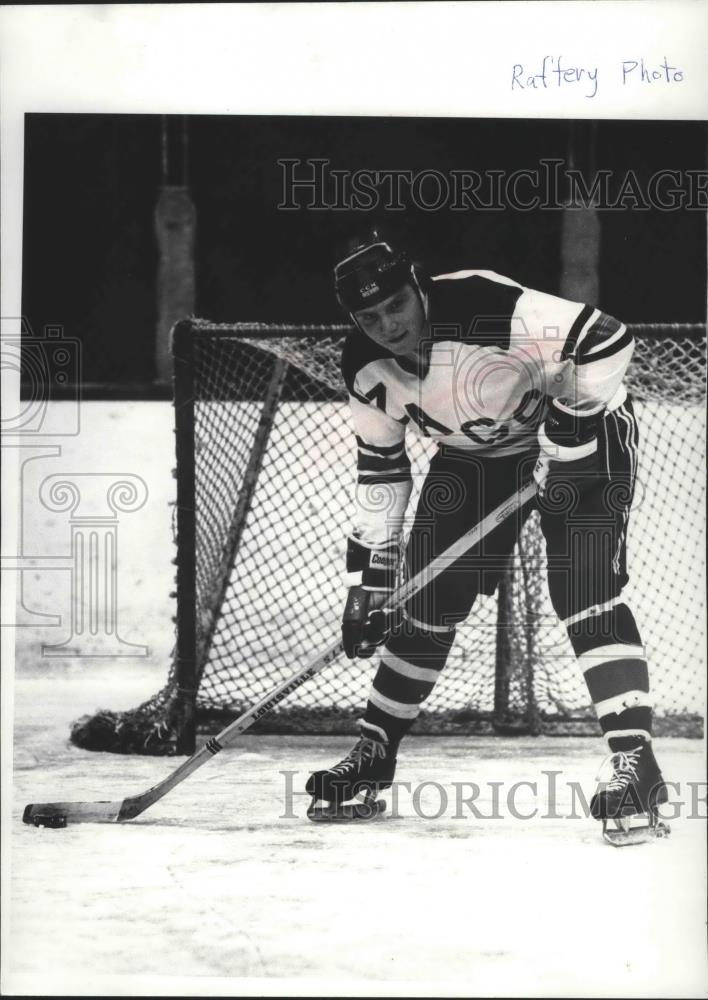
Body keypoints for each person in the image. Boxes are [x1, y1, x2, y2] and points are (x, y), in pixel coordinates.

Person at [306, 233, 668, 843]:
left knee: (584, 592)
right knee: (421, 604)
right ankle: (373, 751)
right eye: (369, 317)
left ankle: (637, 765)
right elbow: (381, 470)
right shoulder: (363, 366)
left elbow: (608, 339)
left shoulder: (485, 306)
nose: (388, 325)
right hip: (476, 457)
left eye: (396, 305)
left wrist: (571, 432)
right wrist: (368, 580)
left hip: (580, 428)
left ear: (419, 287)